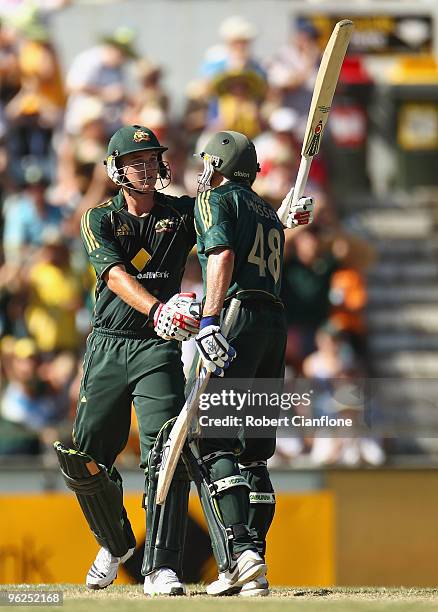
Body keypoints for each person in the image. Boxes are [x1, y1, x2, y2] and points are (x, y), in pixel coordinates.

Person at [53, 124, 201, 596]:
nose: (146, 166)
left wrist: (281, 215)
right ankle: (115, 542)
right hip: (109, 343)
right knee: (83, 457)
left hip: (157, 348)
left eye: (152, 158)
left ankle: (161, 566)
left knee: (167, 449)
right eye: (136, 160)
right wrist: (159, 308)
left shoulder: (181, 213)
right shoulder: (98, 218)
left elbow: (234, 224)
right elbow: (114, 276)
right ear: (115, 168)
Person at [188, 130, 314, 596]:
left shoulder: (216, 199)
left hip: (238, 317)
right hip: (274, 325)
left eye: (207, 164)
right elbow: (265, 235)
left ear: (217, 166)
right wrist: (285, 217)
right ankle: (255, 562)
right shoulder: (266, 210)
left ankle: (241, 552)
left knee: (214, 440)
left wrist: (209, 320)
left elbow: (221, 255)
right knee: (255, 450)